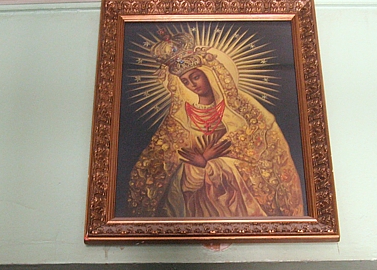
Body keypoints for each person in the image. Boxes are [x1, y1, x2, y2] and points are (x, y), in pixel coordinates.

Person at [128, 30, 305, 218]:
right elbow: (165, 163)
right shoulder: (179, 118)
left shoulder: (240, 110)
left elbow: (258, 151)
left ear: (209, 74)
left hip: (237, 198)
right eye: (185, 81)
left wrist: (211, 162)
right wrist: (199, 163)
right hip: (194, 201)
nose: (192, 85)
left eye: (195, 77)